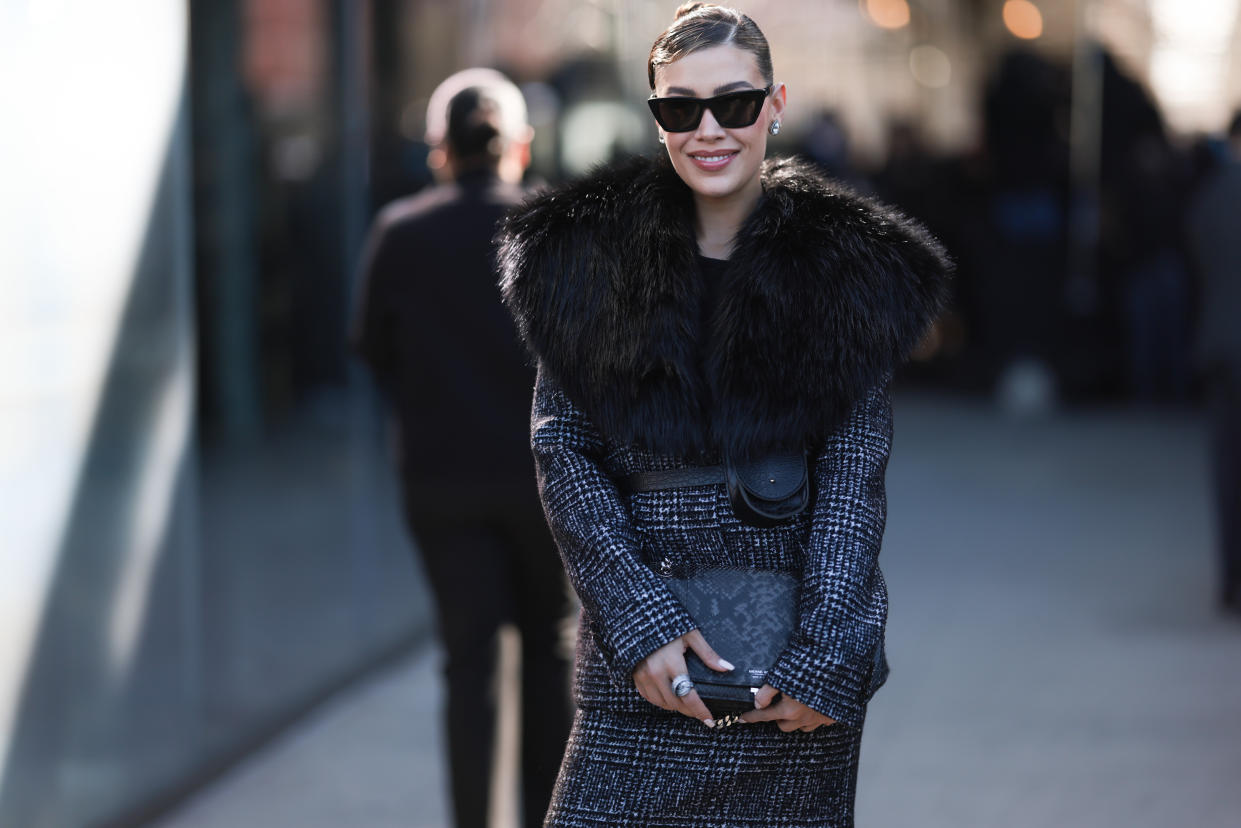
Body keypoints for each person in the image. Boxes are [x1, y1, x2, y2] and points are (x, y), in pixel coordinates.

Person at [497, 4, 950, 825]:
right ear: (656, 116)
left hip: (790, 681)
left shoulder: (845, 273)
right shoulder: (586, 263)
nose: (709, 129)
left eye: (734, 104)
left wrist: (825, 659)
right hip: (642, 673)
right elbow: (564, 452)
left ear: (774, 104)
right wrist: (640, 625)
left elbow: (853, 481)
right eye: (681, 108)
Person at [352, 69, 573, 828]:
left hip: (439, 481)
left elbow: (370, 350)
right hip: (546, 486)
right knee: (549, 652)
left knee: (467, 660)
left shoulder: (398, 233)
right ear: (520, 147)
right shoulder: (555, 228)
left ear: (437, 151)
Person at [1185, 115, 1241, 616]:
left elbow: (1196, 258)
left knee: (1227, 470)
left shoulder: (1214, 193)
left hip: (1223, 346)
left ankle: (1232, 578)